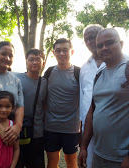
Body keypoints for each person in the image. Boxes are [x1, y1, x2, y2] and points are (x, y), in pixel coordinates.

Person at [78, 28, 129, 168]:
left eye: (110, 43)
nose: (104, 48)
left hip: (122, 158)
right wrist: (83, 147)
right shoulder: (99, 74)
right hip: (99, 154)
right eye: (100, 45)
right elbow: (92, 112)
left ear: (122, 44)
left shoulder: (127, 68)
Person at [44, 38, 80, 168]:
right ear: (54, 53)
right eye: (58, 50)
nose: (61, 54)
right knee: (52, 161)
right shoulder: (49, 72)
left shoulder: (78, 72)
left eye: (65, 50)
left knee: (71, 161)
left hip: (71, 127)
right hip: (51, 126)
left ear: (72, 51)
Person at [14, 48, 46, 168]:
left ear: (43, 63)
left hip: (36, 132)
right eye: (31, 59)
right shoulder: (16, 78)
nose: (34, 62)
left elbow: (45, 105)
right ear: (26, 62)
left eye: (38, 60)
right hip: (17, 130)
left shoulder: (45, 82)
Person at [79, 24, 105, 168]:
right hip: (88, 128)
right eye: (87, 38)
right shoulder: (85, 67)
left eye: (94, 36)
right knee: (89, 162)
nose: (90, 41)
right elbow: (83, 97)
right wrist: (81, 126)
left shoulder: (124, 62)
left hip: (111, 126)